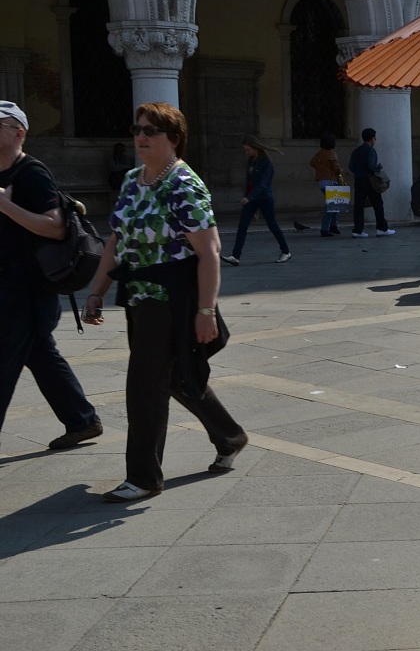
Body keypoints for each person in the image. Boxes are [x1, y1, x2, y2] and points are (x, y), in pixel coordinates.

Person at [83, 102, 248, 502]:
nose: (141, 136)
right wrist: (96, 290)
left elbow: (209, 252)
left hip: (173, 298)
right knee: (174, 377)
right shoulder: (131, 181)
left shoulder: (183, 184)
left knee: (144, 386)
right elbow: (117, 240)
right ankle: (230, 436)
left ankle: (143, 478)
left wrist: (205, 311)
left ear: (173, 139)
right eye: (137, 128)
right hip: (140, 295)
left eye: (151, 131)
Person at [0, 100, 103, 450]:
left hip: (26, 287)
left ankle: (82, 420)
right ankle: (82, 420)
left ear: (19, 133)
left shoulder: (31, 173)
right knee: (40, 353)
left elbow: (56, 228)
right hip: (6, 283)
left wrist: (5, 204)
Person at [221, 136, 290, 266]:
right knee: (242, 226)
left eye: (248, 150)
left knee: (272, 225)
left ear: (255, 148)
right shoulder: (252, 161)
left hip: (264, 198)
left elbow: (263, 184)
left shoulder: (266, 162)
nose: (246, 152)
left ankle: (285, 251)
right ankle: (235, 256)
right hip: (251, 198)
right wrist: (248, 197)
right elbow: (249, 181)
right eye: (245, 150)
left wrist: (249, 197)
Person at [349, 127, 395, 238]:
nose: (375, 140)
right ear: (371, 138)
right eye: (375, 137)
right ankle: (382, 228)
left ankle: (357, 230)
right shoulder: (371, 151)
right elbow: (371, 166)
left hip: (359, 180)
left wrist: (358, 172)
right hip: (370, 181)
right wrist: (378, 167)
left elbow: (351, 166)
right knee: (378, 204)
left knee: (359, 206)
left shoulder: (356, 151)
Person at [310, 133, 343, 237]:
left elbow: (312, 163)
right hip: (332, 181)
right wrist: (341, 171)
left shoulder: (318, 154)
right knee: (333, 206)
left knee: (334, 205)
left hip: (321, 181)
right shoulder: (332, 154)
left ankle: (332, 227)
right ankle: (326, 228)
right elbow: (337, 168)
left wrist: (321, 170)